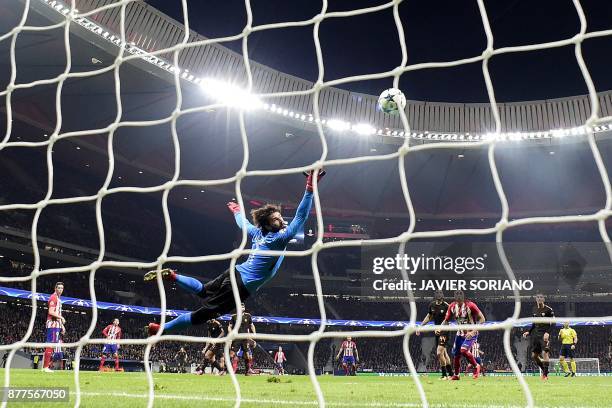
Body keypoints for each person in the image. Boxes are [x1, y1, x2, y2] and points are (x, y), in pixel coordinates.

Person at [144, 170, 325, 335]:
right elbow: (301, 216)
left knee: (204, 291)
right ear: (268, 224)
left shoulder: (257, 233)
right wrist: (309, 189)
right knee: (202, 315)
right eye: (276, 219)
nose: (281, 220)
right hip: (240, 285)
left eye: (279, 217)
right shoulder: (278, 239)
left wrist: (237, 212)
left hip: (234, 272)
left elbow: (244, 224)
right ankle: (162, 329)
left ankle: (174, 276)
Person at [440, 290, 486, 380]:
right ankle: (457, 375)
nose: (458, 295)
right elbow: (446, 320)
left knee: (463, 350)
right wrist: (439, 328)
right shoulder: (452, 306)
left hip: (471, 333)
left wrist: (473, 331)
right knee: (456, 355)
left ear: (464, 295)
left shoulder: (471, 305)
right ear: (454, 296)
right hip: (459, 334)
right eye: (456, 294)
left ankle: (476, 366)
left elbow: (482, 319)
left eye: (460, 293)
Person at [416, 290, 452, 379]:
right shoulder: (432, 305)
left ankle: (444, 375)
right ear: (435, 295)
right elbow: (429, 316)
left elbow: (448, 319)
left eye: (440, 293)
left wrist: (440, 328)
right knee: (444, 354)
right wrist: (420, 326)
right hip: (437, 332)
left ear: (443, 295)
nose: (439, 295)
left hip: (445, 331)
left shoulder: (446, 306)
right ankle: (451, 374)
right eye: (437, 293)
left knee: (439, 353)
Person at [522, 293, 554, 380]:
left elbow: (553, 323)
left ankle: (545, 375)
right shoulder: (534, 309)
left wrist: (547, 332)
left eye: (541, 297)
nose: (539, 299)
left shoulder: (548, 310)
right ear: (536, 299)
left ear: (543, 299)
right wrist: (529, 331)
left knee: (544, 353)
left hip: (544, 335)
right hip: (536, 335)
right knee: (534, 356)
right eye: (538, 297)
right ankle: (545, 370)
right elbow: (534, 323)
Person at [229, 304, 257, 375]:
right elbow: (229, 326)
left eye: (243, 306)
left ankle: (247, 371)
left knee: (247, 355)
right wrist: (231, 334)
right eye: (241, 306)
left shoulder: (248, 316)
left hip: (245, 338)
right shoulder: (234, 316)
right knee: (231, 354)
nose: (242, 308)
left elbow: (252, 325)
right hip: (237, 337)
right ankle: (225, 370)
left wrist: (254, 334)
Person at [44, 282, 65, 373]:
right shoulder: (53, 297)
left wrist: (62, 326)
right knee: (50, 344)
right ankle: (45, 367)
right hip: (52, 324)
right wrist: (61, 317)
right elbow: (51, 312)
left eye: (62, 288)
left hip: (57, 324)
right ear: (55, 288)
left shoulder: (58, 298)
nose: (60, 290)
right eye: (59, 288)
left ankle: (46, 366)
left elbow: (57, 313)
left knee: (52, 345)